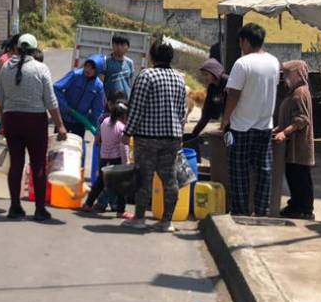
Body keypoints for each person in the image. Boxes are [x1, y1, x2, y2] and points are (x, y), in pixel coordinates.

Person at [0, 33, 67, 222]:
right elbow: (51, 101)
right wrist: (60, 125)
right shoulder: (41, 68)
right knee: (38, 165)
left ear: (17, 49)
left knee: (16, 164)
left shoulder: (5, 69)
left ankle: (14, 206)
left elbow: (1, 101)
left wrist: (2, 123)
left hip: (12, 120)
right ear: (35, 50)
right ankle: (39, 210)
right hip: (35, 121)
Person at [122, 38, 188, 232]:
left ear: (152, 56)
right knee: (170, 179)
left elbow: (137, 108)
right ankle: (166, 221)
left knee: (144, 177)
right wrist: (180, 133)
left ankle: (140, 217)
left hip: (147, 137)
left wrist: (128, 132)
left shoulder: (146, 76)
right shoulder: (179, 78)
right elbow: (182, 111)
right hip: (172, 137)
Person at [222, 23, 280, 217]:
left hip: (241, 126)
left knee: (239, 172)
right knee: (264, 169)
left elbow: (233, 95)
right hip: (265, 125)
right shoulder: (274, 62)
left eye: (241, 42)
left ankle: (240, 213)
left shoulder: (242, 63)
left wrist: (225, 120)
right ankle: (261, 211)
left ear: (245, 41)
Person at [275, 60, 315, 220]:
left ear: (297, 74)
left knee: (300, 176)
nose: (285, 77)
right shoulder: (293, 92)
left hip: (299, 145)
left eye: (287, 74)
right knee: (293, 174)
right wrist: (279, 129)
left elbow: (302, 119)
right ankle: (295, 204)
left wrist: (285, 132)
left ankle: (304, 208)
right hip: (291, 144)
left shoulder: (300, 93)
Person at [81, 91, 129, 216]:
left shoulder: (104, 122)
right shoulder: (121, 128)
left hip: (104, 157)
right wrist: (126, 162)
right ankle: (120, 211)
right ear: (123, 116)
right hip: (116, 160)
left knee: (99, 183)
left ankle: (88, 204)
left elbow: (98, 139)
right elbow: (123, 147)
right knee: (121, 186)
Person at [53, 54, 106, 137]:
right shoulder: (75, 75)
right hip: (63, 119)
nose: (88, 69)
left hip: (79, 123)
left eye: (92, 68)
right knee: (58, 146)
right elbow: (56, 88)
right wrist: (65, 106)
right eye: (87, 66)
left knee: (75, 147)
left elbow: (98, 111)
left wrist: (99, 129)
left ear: (97, 70)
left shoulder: (98, 86)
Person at [185, 58, 228, 142]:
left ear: (214, 73)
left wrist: (224, 127)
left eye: (206, 74)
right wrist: (195, 133)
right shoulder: (212, 88)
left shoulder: (227, 82)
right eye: (203, 75)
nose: (204, 78)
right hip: (226, 123)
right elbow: (206, 113)